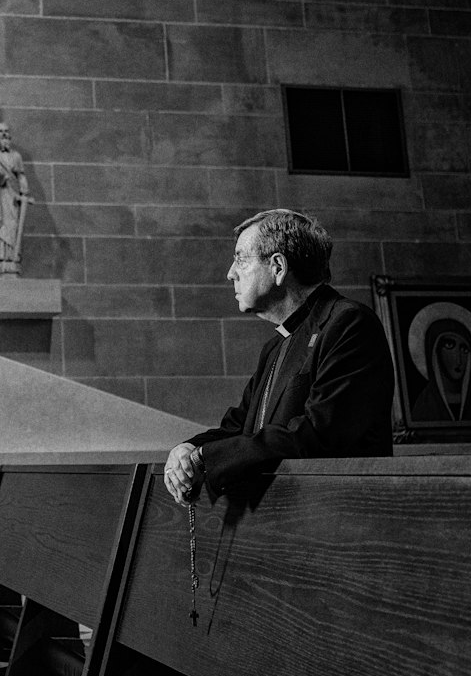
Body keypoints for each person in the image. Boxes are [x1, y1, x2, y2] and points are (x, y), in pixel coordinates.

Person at [165, 208, 393, 504]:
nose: (230, 273)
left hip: (340, 512)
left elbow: (317, 434)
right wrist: (187, 450)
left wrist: (204, 458)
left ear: (277, 267)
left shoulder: (348, 324)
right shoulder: (276, 345)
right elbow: (238, 427)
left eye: (240, 258)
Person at [0, 122, 30, 277]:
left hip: (13, 198)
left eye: (6, 131)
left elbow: (21, 175)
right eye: (0, 132)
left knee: (13, 226)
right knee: (0, 225)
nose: (4, 134)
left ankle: (12, 260)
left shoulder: (16, 156)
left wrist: (24, 190)